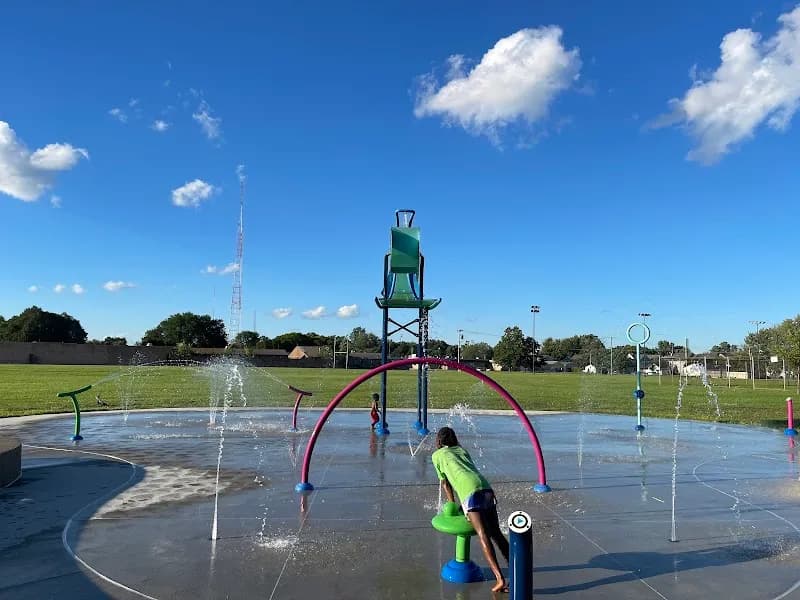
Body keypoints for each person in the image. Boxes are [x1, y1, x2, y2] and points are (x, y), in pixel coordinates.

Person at [432, 426, 509, 593]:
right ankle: (518, 569)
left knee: (482, 534)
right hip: (486, 487)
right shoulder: (461, 449)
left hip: (470, 491)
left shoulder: (436, 456)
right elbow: (469, 470)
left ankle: (500, 579)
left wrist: (453, 504)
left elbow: (446, 483)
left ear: (438, 440)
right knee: (496, 533)